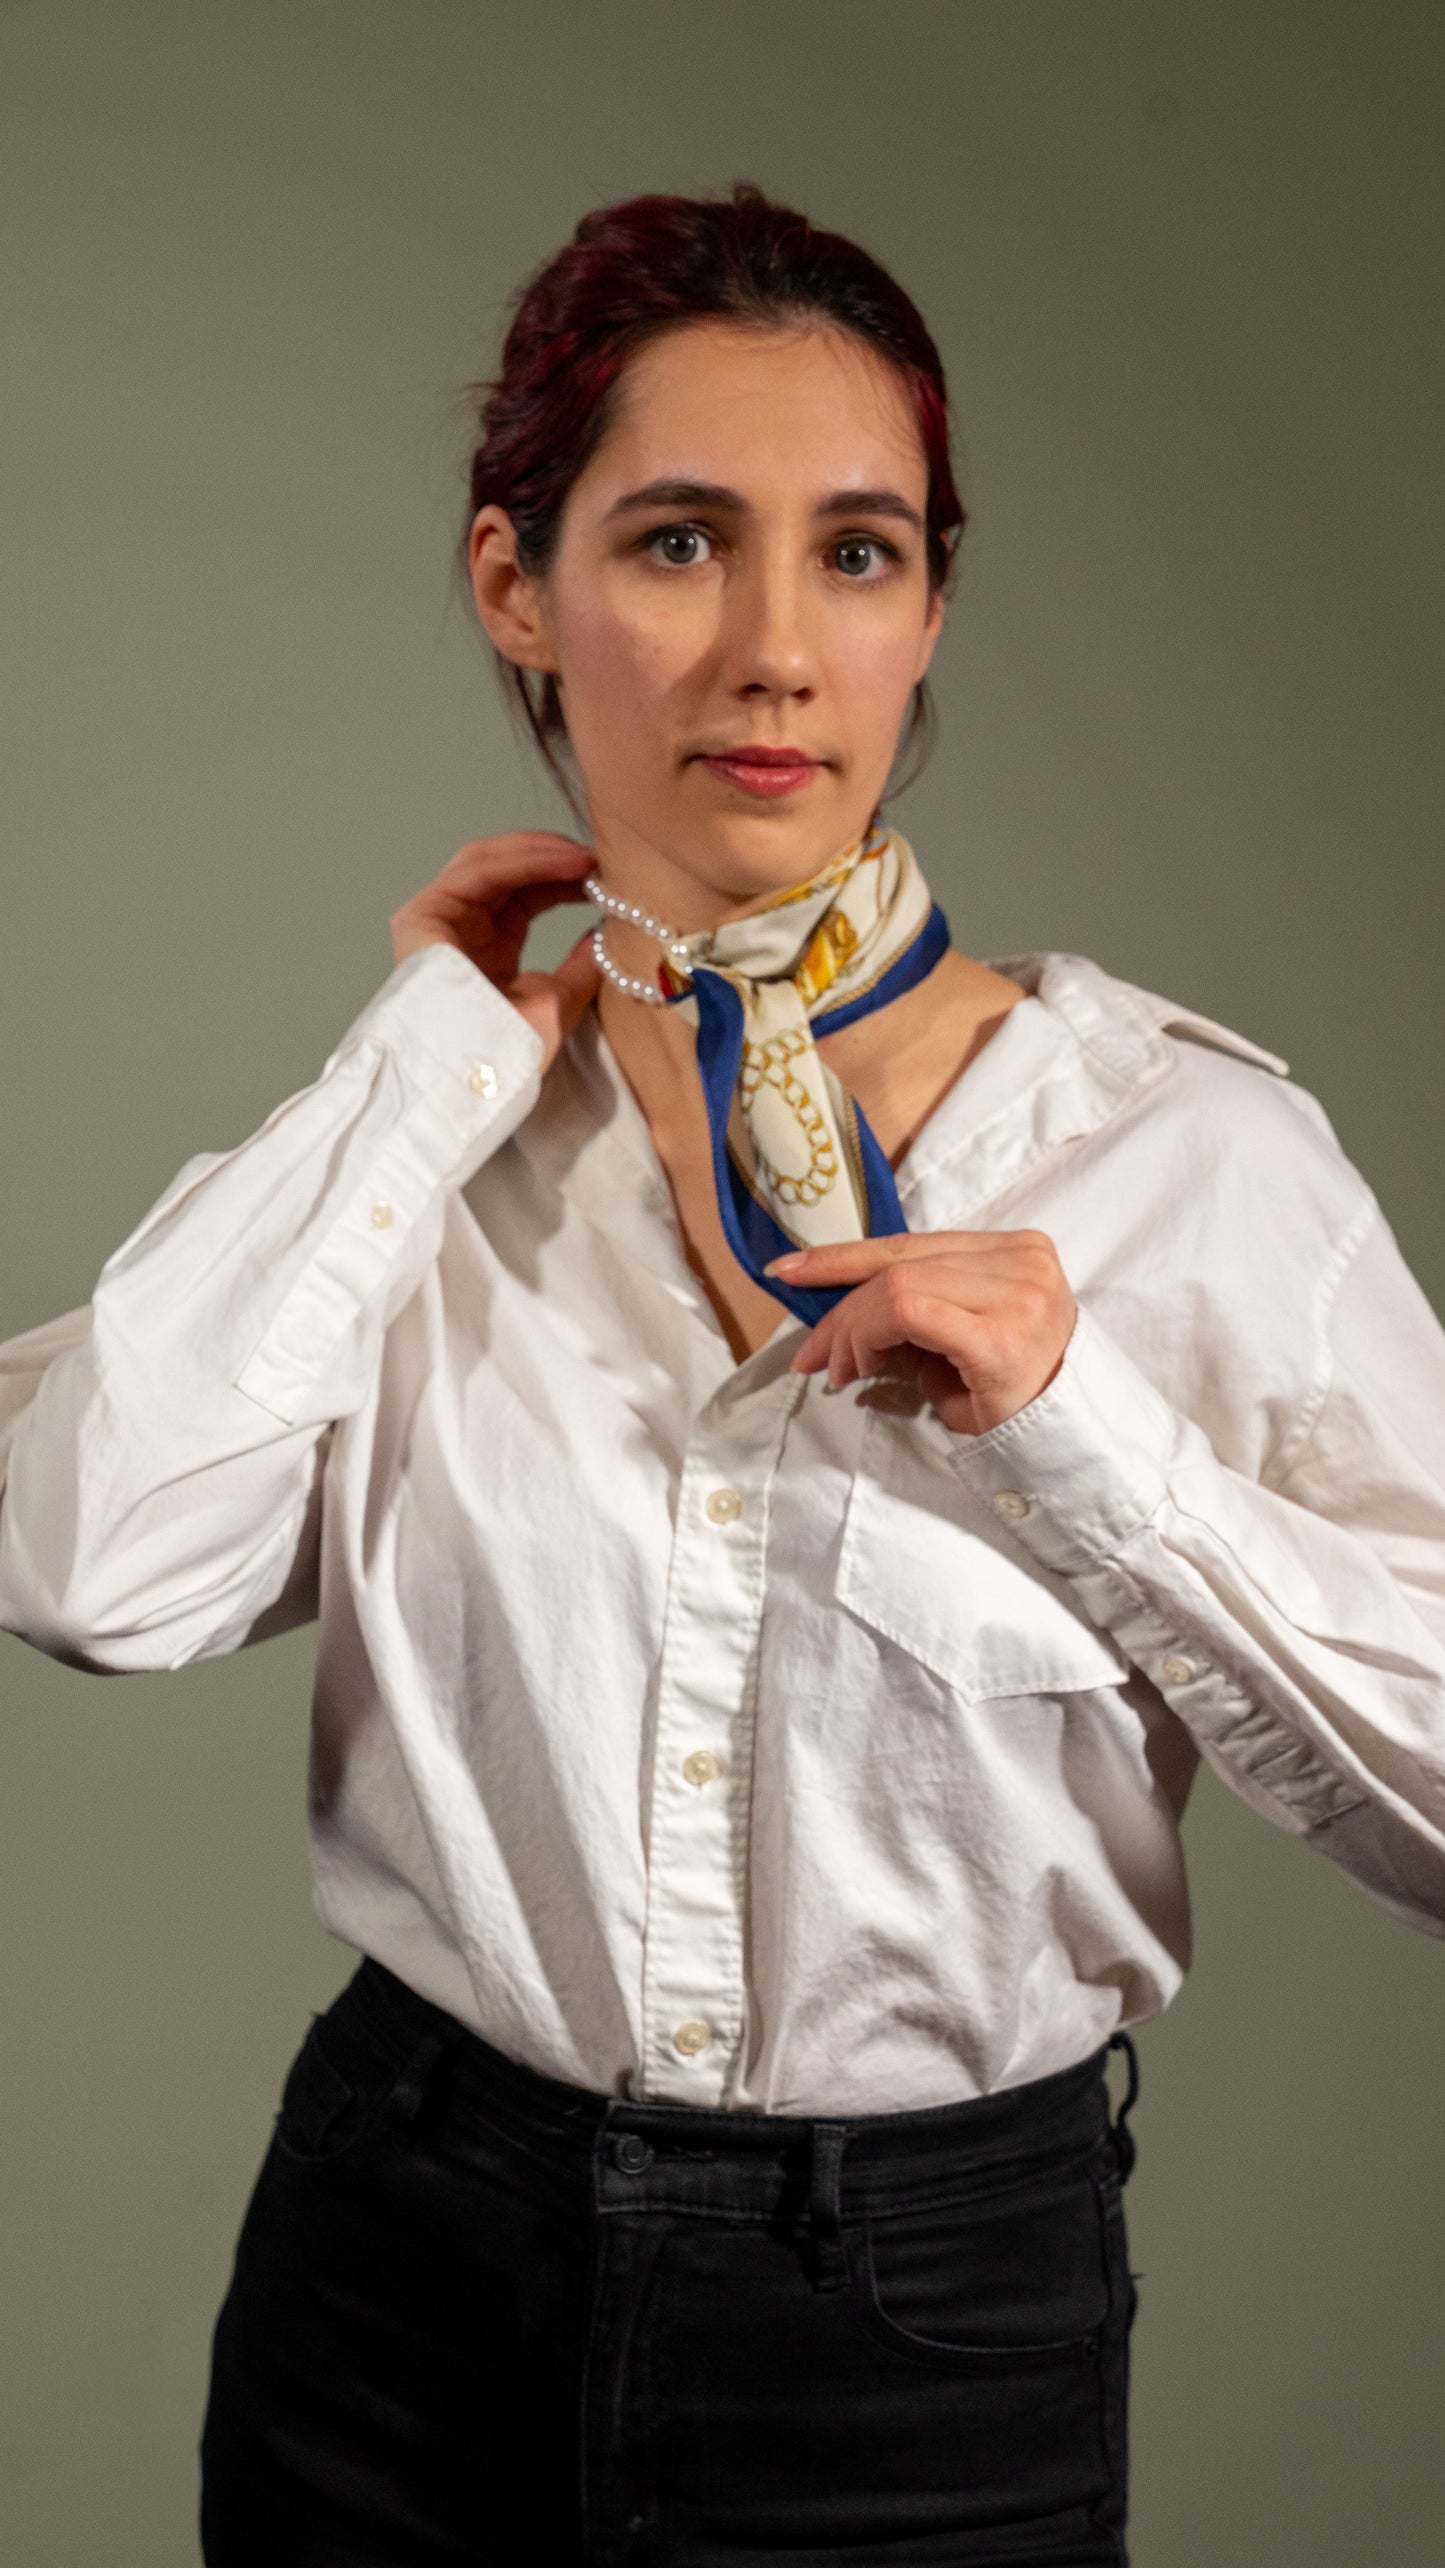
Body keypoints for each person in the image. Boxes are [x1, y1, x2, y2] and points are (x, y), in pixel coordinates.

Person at [2, 180, 1444, 2568]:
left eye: (857, 554)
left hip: (926, 2346)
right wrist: (414, 1071)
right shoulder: (419, 1152)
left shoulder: (1187, 1161)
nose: (776, 651)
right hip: (397, 2291)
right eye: (679, 543)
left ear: (929, 610)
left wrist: (1083, 1438)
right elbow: (86, 1568)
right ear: (515, 587)